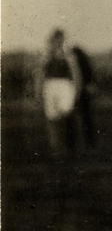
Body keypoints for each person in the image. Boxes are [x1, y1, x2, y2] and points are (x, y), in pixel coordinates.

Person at [38, 28, 84, 158]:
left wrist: (77, 89)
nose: (58, 42)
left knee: (67, 114)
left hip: (65, 85)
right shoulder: (46, 55)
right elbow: (40, 74)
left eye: (60, 39)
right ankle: (55, 147)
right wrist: (39, 89)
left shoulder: (68, 55)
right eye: (55, 39)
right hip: (50, 85)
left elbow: (75, 73)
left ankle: (70, 145)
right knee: (52, 117)